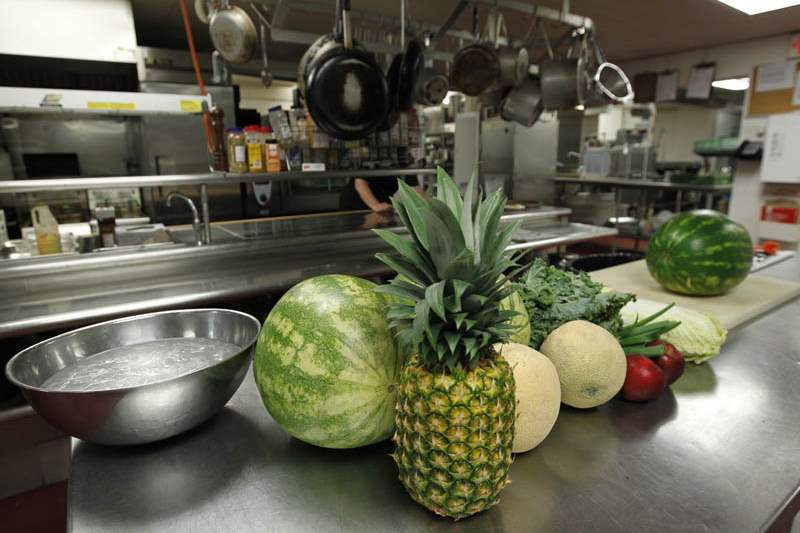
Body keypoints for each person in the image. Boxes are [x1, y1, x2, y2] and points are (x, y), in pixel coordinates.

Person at [339, 175, 423, 212]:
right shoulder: (376, 156)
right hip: (356, 203)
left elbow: (416, 190)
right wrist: (376, 205)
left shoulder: (405, 159)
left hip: (381, 205)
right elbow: (360, 184)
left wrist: (429, 207)